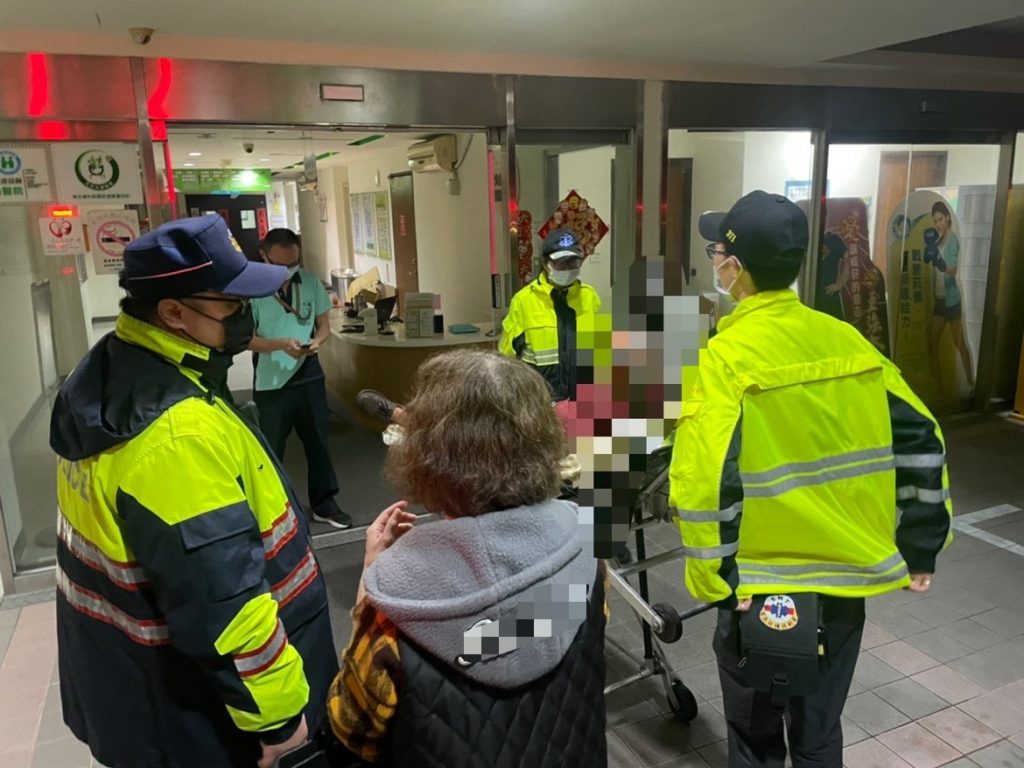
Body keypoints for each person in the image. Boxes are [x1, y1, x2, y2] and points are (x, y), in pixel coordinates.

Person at [669, 191, 952, 768]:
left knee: (754, 735)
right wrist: (920, 545)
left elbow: (705, 480)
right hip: (844, 580)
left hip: (758, 586)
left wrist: (716, 578)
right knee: (819, 731)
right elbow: (922, 437)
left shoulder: (726, 357)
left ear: (734, 268)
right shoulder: (849, 343)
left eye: (717, 253)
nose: (716, 263)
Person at [50, 215, 338, 768]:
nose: (245, 314)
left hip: (135, 688)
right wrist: (281, 723)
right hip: (206, 718)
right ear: (173, 313)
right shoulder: (175, 436)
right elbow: (224, 602)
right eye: (231, 304)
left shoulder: (120, 372)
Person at [327, 350, 607, 767]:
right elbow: (510, 637)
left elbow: (352, 729)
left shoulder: (395, 609)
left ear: (424, 458)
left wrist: (371, 581)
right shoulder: (584, 549)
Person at [249, 228, 351, 529]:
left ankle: (324, 503)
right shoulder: (251, 289)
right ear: (263, 256)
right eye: (280, 264)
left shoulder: (309, 281)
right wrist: (279, 344)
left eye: (293, 263)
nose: (288, 270)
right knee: (271, 450)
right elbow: (246, 339)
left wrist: (317, 342)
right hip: (271, 381)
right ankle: (273, 507)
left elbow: (323, 325)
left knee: (318, 444)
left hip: (309, 375)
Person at [499, 228, 602, 402]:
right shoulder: (524, 301)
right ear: (545, 263)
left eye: (573, 262)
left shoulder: (590, 297)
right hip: (540, 401)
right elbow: (506, 359)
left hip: (583, 399)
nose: (567, 269)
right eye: (561, 263)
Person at [925, 200, 975, 398]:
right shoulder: (936, 243)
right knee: (931, 343)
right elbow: (931, 268)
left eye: (940, 219)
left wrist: (939, 262)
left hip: (951, 301)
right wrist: (928, 256)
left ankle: (971, 385)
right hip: (939, 301)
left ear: (947, 218)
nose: (938, 223)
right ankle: (939, 390)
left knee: (959, 343)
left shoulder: (952, 240)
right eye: (935, 220)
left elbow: (953, 270)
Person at [815, 231, 848, 321]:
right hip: (810, 294)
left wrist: (840, 284)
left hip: (829, 294)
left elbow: (848, 260)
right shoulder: (810, 238)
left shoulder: (833, 239)